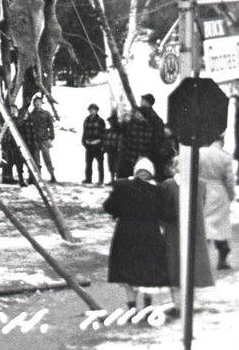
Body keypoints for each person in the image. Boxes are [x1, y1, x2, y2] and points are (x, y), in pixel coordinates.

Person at [103, 157, 168, 310]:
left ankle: (131, 306)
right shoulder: (158, 189)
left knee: (126, 270)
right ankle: (147, 304)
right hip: (149, 233)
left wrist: (120, 213)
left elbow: (108, 206)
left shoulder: (122, 185)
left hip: (125, 232)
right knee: (148, 270)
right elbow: (164, 213)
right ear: (151, 173)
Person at [159, 151, 213, 314]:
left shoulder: (200, 184)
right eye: (179, 164)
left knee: (192, 267)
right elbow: (162, 208)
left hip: (194, 232)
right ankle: (177, 304)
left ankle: (189, 304)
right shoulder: (168, 184)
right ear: (174, 167)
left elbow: (202, 205)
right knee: (174, 265)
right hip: (174, 231)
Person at [197, 139, 233, 270]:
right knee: (220, 227)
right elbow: (229, 179)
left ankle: (200, 259)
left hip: (201, 190)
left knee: (203, 224)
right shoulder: (224, 156)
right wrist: (231, 194)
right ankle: (222, 258)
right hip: (218, 191)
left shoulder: (200, 153)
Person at [23, 95, 57, 184]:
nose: (37, 104)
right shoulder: (31, 115)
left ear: (42, 103)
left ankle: (52, 175)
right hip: (34, 140)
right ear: (33, 104)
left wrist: (51, 138)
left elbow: (51, 126)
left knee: (47, 158)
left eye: (39, 102)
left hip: (44, 139)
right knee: (35, 159)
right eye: (35, 102)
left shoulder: (46, 114)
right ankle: (37, 177)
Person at [82, 104, 107, 185]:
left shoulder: (100, 121)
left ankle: (101, 179)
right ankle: (88, 179)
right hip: (88, 144)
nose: (91, 111)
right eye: (90, 109)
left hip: (97, 144)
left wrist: (102, 144)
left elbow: (103, 133)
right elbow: (84, 132)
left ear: (96, 111)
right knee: (88, 163)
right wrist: (84, 141)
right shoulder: (86, 120)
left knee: (100, 163)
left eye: (93, 109)